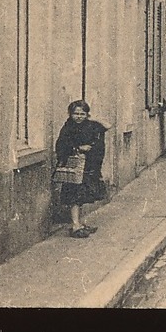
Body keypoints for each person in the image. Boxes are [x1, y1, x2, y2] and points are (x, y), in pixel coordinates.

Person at [54, 100, 107, 238]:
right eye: (75, 113)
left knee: (81, 195)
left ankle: (78, 222)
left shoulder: (89, 125)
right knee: (74, 196)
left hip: (87, 166)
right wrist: (78, 148)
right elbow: (61, 145)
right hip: (74, 166)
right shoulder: (68, 128)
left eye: (82, 114)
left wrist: (92, 118)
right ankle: (75, 225)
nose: (78, 117)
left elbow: (107, 126)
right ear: (70, 114)